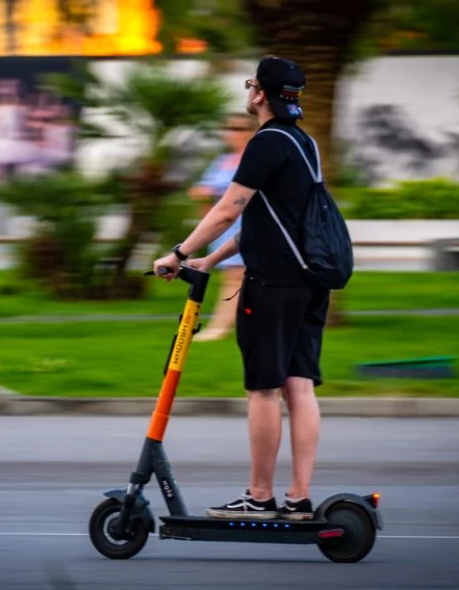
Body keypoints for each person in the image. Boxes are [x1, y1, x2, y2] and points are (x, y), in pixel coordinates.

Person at [152, 56, 329, 521]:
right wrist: (210, 259)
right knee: (300, 385)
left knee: (265, 389)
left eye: (251, 84)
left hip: (271, 284)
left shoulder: (264, 142)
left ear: (260, 95)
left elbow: (230, 208)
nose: (249, 91)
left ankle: (260, 496)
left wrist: (179, 251)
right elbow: (270, 219)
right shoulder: (304, 144)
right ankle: (299, 498)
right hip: (310, 281)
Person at [188, 112, 256, 342]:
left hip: (244, 225)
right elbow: (201, 188)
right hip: (222, 227)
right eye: (229, 128)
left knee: (236, 278)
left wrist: (216, 192)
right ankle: (237, 325)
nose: (232, 133)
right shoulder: (222, 161)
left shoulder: (255, 159)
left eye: (238, 128)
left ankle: (219, 327)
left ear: (251, 131)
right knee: (235, 278)